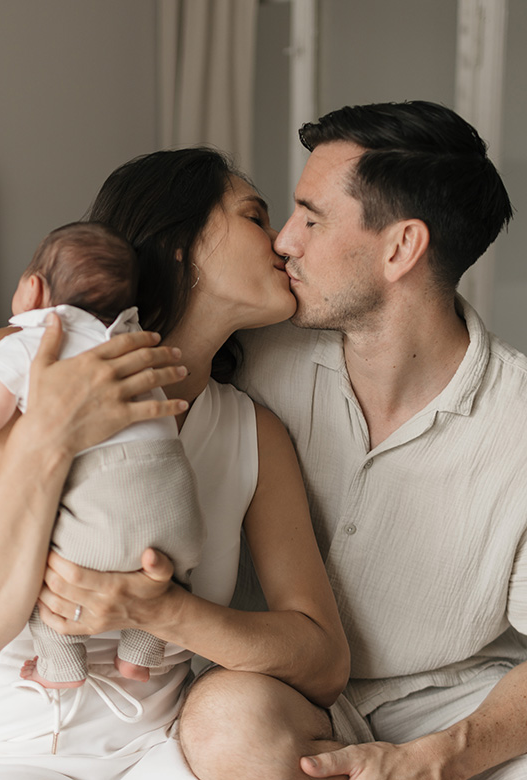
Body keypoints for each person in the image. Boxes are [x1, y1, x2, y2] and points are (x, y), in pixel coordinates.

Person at [0, 148, 350, 779]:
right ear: (179, 243)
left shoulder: (251, 433)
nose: (284, 241)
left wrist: (159, 612)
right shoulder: (15, 362)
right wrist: (48, 436)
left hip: (148, 751)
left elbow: (323, 660)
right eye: (254, 215)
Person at [177, 101, 527, 780]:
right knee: (226, 722)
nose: (284, 241)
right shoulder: (247, 355)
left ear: (401, 248)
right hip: (289, 694)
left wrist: (444, 758)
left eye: (312, 218)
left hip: (459, 708)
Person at [0, 220, 204, 692]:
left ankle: (60, 668)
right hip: (178, 514)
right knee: (160, 573)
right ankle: (139, 656)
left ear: (31, 289)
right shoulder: (133, 346)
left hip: (98, 532)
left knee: (44, 575)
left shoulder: (29, 343)